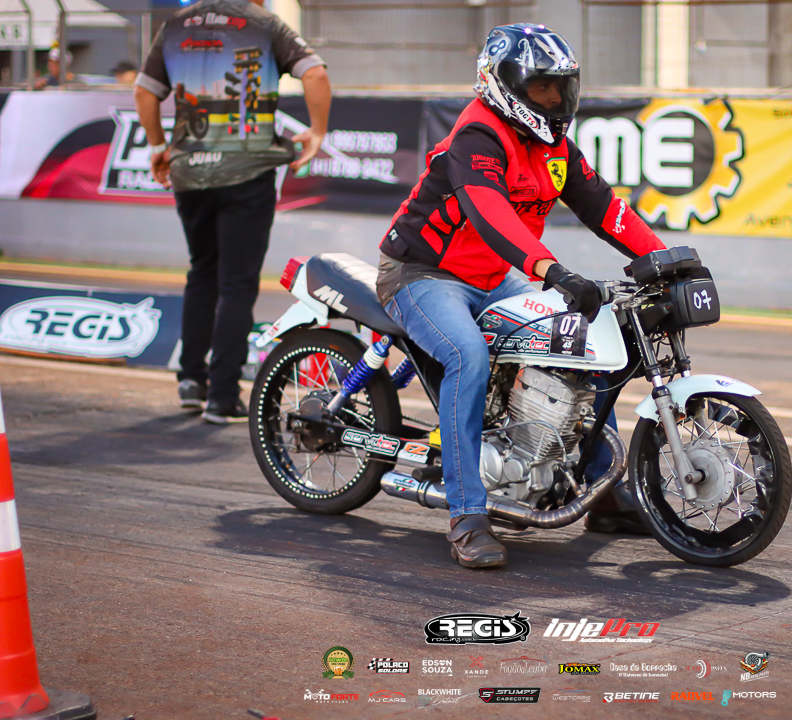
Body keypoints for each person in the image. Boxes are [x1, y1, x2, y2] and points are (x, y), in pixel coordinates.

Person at [377, 23, 666, 569]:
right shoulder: (476, 137)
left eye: (561, 87)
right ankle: (467, 515)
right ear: (502, 84)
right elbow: (493, 217)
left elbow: (606, 209)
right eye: (541, 87)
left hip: (492, 277)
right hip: (421, 274)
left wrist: (665, 259)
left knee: (580, 339)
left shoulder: (554, 146)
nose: (554, 99)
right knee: (467, 356)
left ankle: (603, 493)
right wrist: (552, 271)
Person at [134, 0, 330, 423]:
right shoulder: (264, 22)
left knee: (202, 271)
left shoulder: (177, 24)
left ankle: (191, 381)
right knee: (237, 283)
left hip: (189, 170)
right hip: (247, 170)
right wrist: (316, 133)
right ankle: (222, 397)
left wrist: (157, 146)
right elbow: (314, 73)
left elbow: (144, 91)